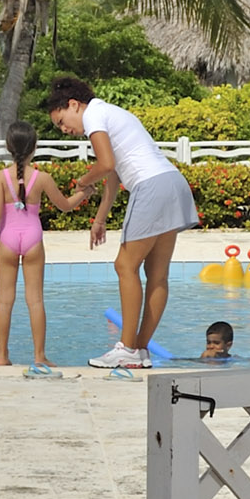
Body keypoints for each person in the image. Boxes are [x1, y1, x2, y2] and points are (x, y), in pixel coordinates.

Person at [45, 74, 199, 368]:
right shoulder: (109, 113)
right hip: (172, 183)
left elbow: (105, 166)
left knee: (124, 265)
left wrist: (82, 181)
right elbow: (113, 177)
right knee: (157, 274)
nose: (64, 129)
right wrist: (100, 219)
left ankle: (127, 348)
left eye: (61, 121)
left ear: (74, 105)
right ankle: (140, 351)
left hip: (151, 186)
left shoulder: (94, 116)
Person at [0, 120, 69, 367]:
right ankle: (39, 356)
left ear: (8, 146)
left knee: (4, 300)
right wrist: (85, 193)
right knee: (35, 300)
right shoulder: (42, 178)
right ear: (34, 147)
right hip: (33, 240)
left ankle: (1, 356)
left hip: (6, 240)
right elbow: (65, 205)